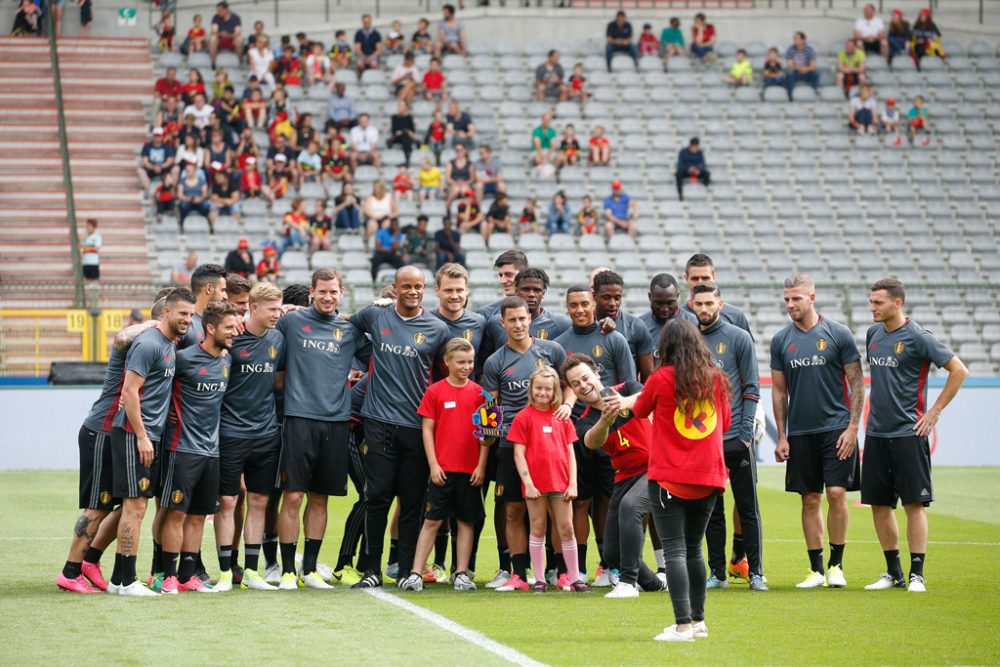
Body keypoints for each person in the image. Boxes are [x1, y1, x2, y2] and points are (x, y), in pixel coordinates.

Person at [56, 295, 169, 594]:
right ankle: (70, 571)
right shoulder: (139, 340)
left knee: (129, 502)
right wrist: (152, 323)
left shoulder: (164, 345)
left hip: (118, 433)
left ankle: (90, 561)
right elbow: (122, 336)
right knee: (98, 505)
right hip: (102, 431)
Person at [862, 278, 968, 593]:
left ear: (898, 303)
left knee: (913, 504)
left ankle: (916, 574)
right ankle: (892, 572)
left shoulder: (919, 337)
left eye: (878, 302)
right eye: (871, 302)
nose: (873, 307)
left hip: (909, 433)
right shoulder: (873, 334)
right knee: (879, 504)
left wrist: (933, 413)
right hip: (876, 434)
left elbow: (958, 370)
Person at [349, 266, 452, 589]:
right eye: (405, 286)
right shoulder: (375, 317)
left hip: (416, 426)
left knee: (411, 501)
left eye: (418, 286)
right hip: (378, 422)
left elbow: (442, 375)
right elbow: (343, 327)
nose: (412, 291)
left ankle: (408, 569)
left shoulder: (438, 329)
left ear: (426, 289)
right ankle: (371, 569)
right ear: (394, 288)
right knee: (377, 496)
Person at [633, 319, 731, 642]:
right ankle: (699, 621)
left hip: (669, 477)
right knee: (694, 550)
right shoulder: (716, 378)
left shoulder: (661, 379)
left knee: (674, 551)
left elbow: (639, 411)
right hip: (709, 477)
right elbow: (725, 422)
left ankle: (683, 625)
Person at [770, 274, 865, 589]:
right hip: (800, 432)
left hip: (836, 428)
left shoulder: (837, 333)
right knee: (809, 499)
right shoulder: (781, 340)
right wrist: (782, 435)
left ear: (812, 297)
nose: (790, 304)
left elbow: (856, 382)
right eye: (786, 299)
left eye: (796, 298)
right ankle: (815, 570)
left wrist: (853, 427)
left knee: (837, 494)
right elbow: (779, 392)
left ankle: (836, 565)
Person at [272, 269, 364, 590]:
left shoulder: (349, 330)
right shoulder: (291, 322)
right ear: (311, 292)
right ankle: (286, 570)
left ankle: (309, 570)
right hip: (298, 419)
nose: (327, 297)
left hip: (337, 423)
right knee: (293, 495)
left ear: (341, 293)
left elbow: (377, 355)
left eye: (333, 292)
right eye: (321, 292)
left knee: (320, 497)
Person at [107, 289, 196, 596]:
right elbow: (129, 392)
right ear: (165, 313)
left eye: (190, 314)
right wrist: (144, 436)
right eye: (181, 313)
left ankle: (119, 581)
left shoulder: (169, 345)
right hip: (134, 435)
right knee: (135, 507)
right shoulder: (149, 343)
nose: (186, 319)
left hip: (148, 433)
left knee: (138, 506)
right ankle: (127, 580)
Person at [482, 296, 570, 592]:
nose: (518, 324)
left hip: (550, 445)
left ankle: (560, 571)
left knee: (555, 511)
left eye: (523, 318)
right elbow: (490, 407)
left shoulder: (552, 350)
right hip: (511, 445)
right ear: (502, 323)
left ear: (529, 319)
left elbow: (568, 385)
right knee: (513, 511)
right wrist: (487, 438)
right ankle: (518, 573)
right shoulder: (496, 361)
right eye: (512, 320)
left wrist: (567, 406)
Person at [158, 302, 241, 594]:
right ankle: (168, 576)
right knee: (176, 514)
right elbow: (157, 387)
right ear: (210, 328)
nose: (235, 332)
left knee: (197, 517)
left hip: (212, 452)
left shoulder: (228, 360)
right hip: (182, 449)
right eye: (229, 327)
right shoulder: (182, 359)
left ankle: (186, 575)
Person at [566, 354, 664, 597]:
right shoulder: (584, 419)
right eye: (575, 384)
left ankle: (628, 583)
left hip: (657, 467)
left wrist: (622, 403)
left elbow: (646, 396)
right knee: (611, 554)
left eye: (585, 378)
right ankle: (654, 583)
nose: (583, 385)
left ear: (597, 374)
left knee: (631, 508)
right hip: (625, 476)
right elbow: (591, 441)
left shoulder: (627, 387)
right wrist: (604, 421)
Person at [690, 283, 766, 592]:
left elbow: (751, 388)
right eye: (699, 304)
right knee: (711, 510)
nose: (704, 309)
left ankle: (756, 572)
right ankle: (718, 572)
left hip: (736, 438)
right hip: (704, 441)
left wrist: (746, 433)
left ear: (720, 303)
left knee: (747, 507)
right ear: (692, 305)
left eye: (709, 303)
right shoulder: (690, 340)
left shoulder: (739, 337)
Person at [398, 338, 488, 591]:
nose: (466, 366)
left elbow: (486, 435)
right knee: (432, 521)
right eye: (461, 362)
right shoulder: (435, 391)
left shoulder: (480, 394)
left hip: (470, 471)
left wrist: (481, 466)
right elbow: (427, 430)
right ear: (446, 362)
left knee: (466, 521)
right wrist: (434, 464)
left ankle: (460, 573)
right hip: (443, 470)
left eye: (470, 362)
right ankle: (416, 573)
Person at [509, 366, 590, 594]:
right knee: (538, 527)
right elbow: (519, 454)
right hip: (535, 485)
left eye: (548, 389)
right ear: (531, 389)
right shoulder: (523, 417)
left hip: (561, 483)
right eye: (538, 388)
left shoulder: (562, 418)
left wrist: (572, 483)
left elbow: (570, 453)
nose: (543, 393)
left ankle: (575, 579)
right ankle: (539, 580)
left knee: (566, 528)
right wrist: (529, 483)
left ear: (555, 391)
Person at [592, 269, 655, 382]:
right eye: (606, 297)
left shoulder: (636, 327)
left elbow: (648, 376)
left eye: (617, 298)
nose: (612, 303)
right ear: (594, 296)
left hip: (625, 397)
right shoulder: (585, 326)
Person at [680, 254, 753, 335]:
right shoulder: (678, 316)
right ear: (686, 279)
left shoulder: (735, 315)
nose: (700, 282)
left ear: (714, 277)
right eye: (695, 278)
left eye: (705, 278)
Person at [178, 263, 228, 350]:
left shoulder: (217, 324)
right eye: (222, 290)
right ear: (209, 289)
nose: (226, 296)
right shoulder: (184, 323)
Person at [640, 273, 696, 345]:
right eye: (659, 303)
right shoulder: (639, 327)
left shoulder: (694, 324)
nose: (664, 309)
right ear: (650, 297)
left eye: (670, 303)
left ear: (677, 296)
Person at [784, 32, 820, 100]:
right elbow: (790, 65)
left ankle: (813, 93)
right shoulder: (790, 49)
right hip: (796, 72)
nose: (795, 40)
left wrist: (807, 69)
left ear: (803, 40)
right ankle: (790, 96)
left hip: (807, 72)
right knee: (789, 73)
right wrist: (800, 68)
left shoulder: (809, 49)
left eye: (797, 38)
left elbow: (814, 65)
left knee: (816, 74)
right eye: (794, 38)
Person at [209, 1, 243, 69]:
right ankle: (213, 64)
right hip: (220, 39)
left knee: (239, 39)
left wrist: (227, 35)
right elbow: (214, 31)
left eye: (220, 10)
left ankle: (239, 62)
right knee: (212, 38)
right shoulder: (216, 17)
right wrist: (221, 34)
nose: (218, 12)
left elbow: (237, 32)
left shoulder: (236, 18)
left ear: (226, 9)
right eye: (217, 10)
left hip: (231, 40)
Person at [675, 137, 710, 201]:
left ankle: (704, 191)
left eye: (696, 147)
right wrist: (687, 169)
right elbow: (680, 165)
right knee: (678, 174)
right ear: (690, 145)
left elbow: (702, 164)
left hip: (696, 171)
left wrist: (699, 170)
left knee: (706, 174)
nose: (694, 149)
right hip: (686, 171)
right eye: (693, 147)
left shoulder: (699, 153)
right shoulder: (683, 152)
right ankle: (680, 194)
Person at [388, 101, 418, 166]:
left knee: (405, 137)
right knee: (405, 138)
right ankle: (407, 159)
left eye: (402, 106)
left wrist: (408, 132)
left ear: (406, 108)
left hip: (406, 137)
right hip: (397, 137)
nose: (400, 108)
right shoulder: (394, 117)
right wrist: (402, 132)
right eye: (399, 106)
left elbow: (412, 130)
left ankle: (406, 161)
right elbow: (394, 130)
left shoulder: (409, 117)